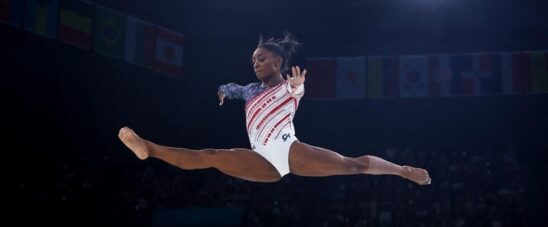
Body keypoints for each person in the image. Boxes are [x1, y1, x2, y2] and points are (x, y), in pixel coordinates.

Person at [119, 33, 431, 185]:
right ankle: (148, 148)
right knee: (211, 156)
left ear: (278, 62)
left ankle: (402, 171)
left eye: (261, 59)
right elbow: (233, 88)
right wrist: (223, 91)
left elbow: (298, 90)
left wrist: (296, 86)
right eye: (253, 60)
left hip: (289, 150)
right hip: (261, 160)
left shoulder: (288, 87)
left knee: (353, 166)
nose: (255, 63)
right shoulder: (252, 90)